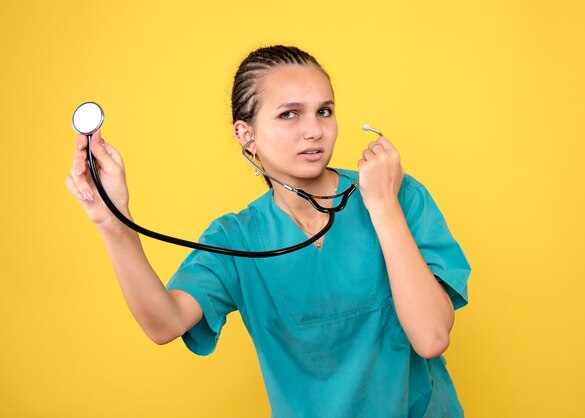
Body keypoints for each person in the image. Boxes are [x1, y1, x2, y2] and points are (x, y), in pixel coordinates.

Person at [65, 45, 471, 418]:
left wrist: (382, 205)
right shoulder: (236, 239)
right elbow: (164, 323)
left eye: (324, 111)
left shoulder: (398, 194)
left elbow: (431, 337)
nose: (313, 130)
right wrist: (112, 222)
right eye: (289, 114)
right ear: (246, 134)